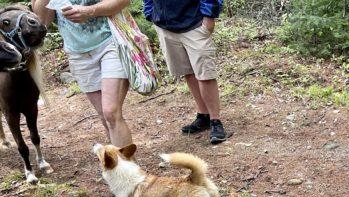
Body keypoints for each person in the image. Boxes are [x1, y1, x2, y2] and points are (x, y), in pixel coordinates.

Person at [32, 0, 133, 147]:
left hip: (110, 42)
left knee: (111, 113)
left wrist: (89, 11)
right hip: (77, 53)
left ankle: (128, 168)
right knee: (105, 118)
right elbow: (42, 21)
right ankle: (121, 166)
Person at [143, 0, 228, 144]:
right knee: (188, 71)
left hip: (194, 23)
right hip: (165, 25)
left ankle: (215, 120)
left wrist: (209, 15)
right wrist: (150, 13)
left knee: (205, 74)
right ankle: (203, 116)